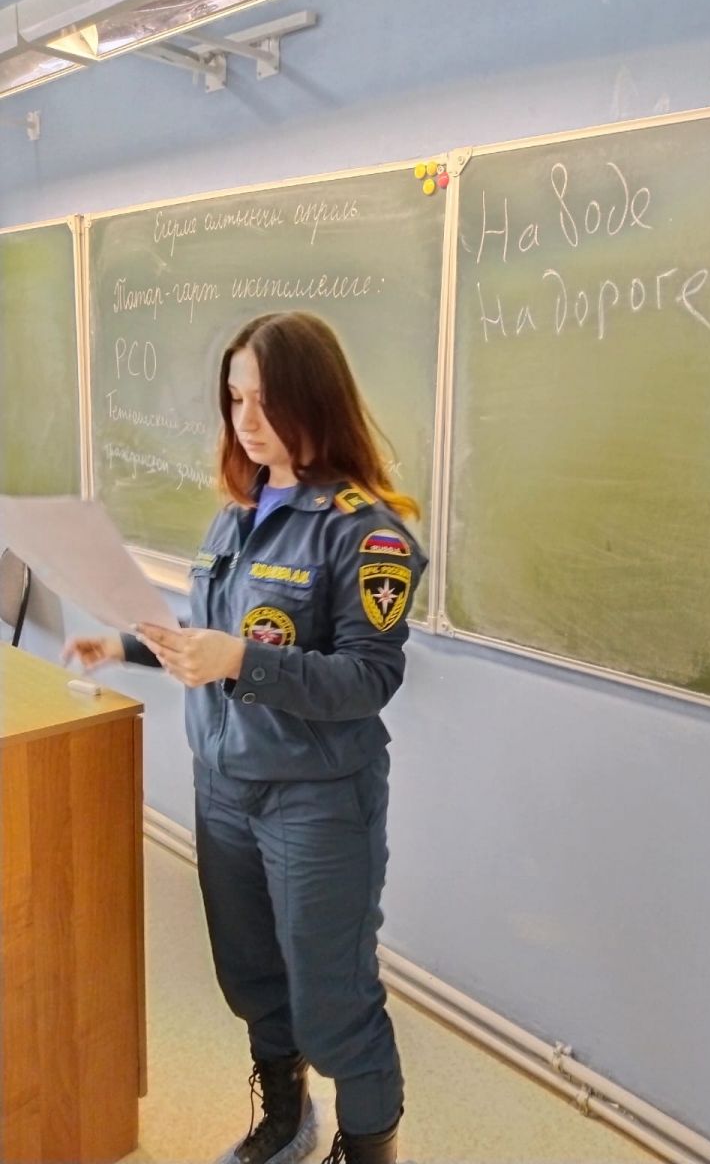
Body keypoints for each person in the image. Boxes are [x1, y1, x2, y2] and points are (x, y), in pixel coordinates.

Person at [64, 311, 427, 1164]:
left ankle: (368, 1150)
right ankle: (286, 1118)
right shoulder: (237, 514)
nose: (246, 420)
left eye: (266, 400)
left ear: (315, 399)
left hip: (315, 798)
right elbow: (217, 633)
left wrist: (241, 663)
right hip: (223, 785)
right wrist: (126, 645)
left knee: (334, 1001)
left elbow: (367, 679)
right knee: (252, 976)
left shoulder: (366, 531)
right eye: (234, 399)